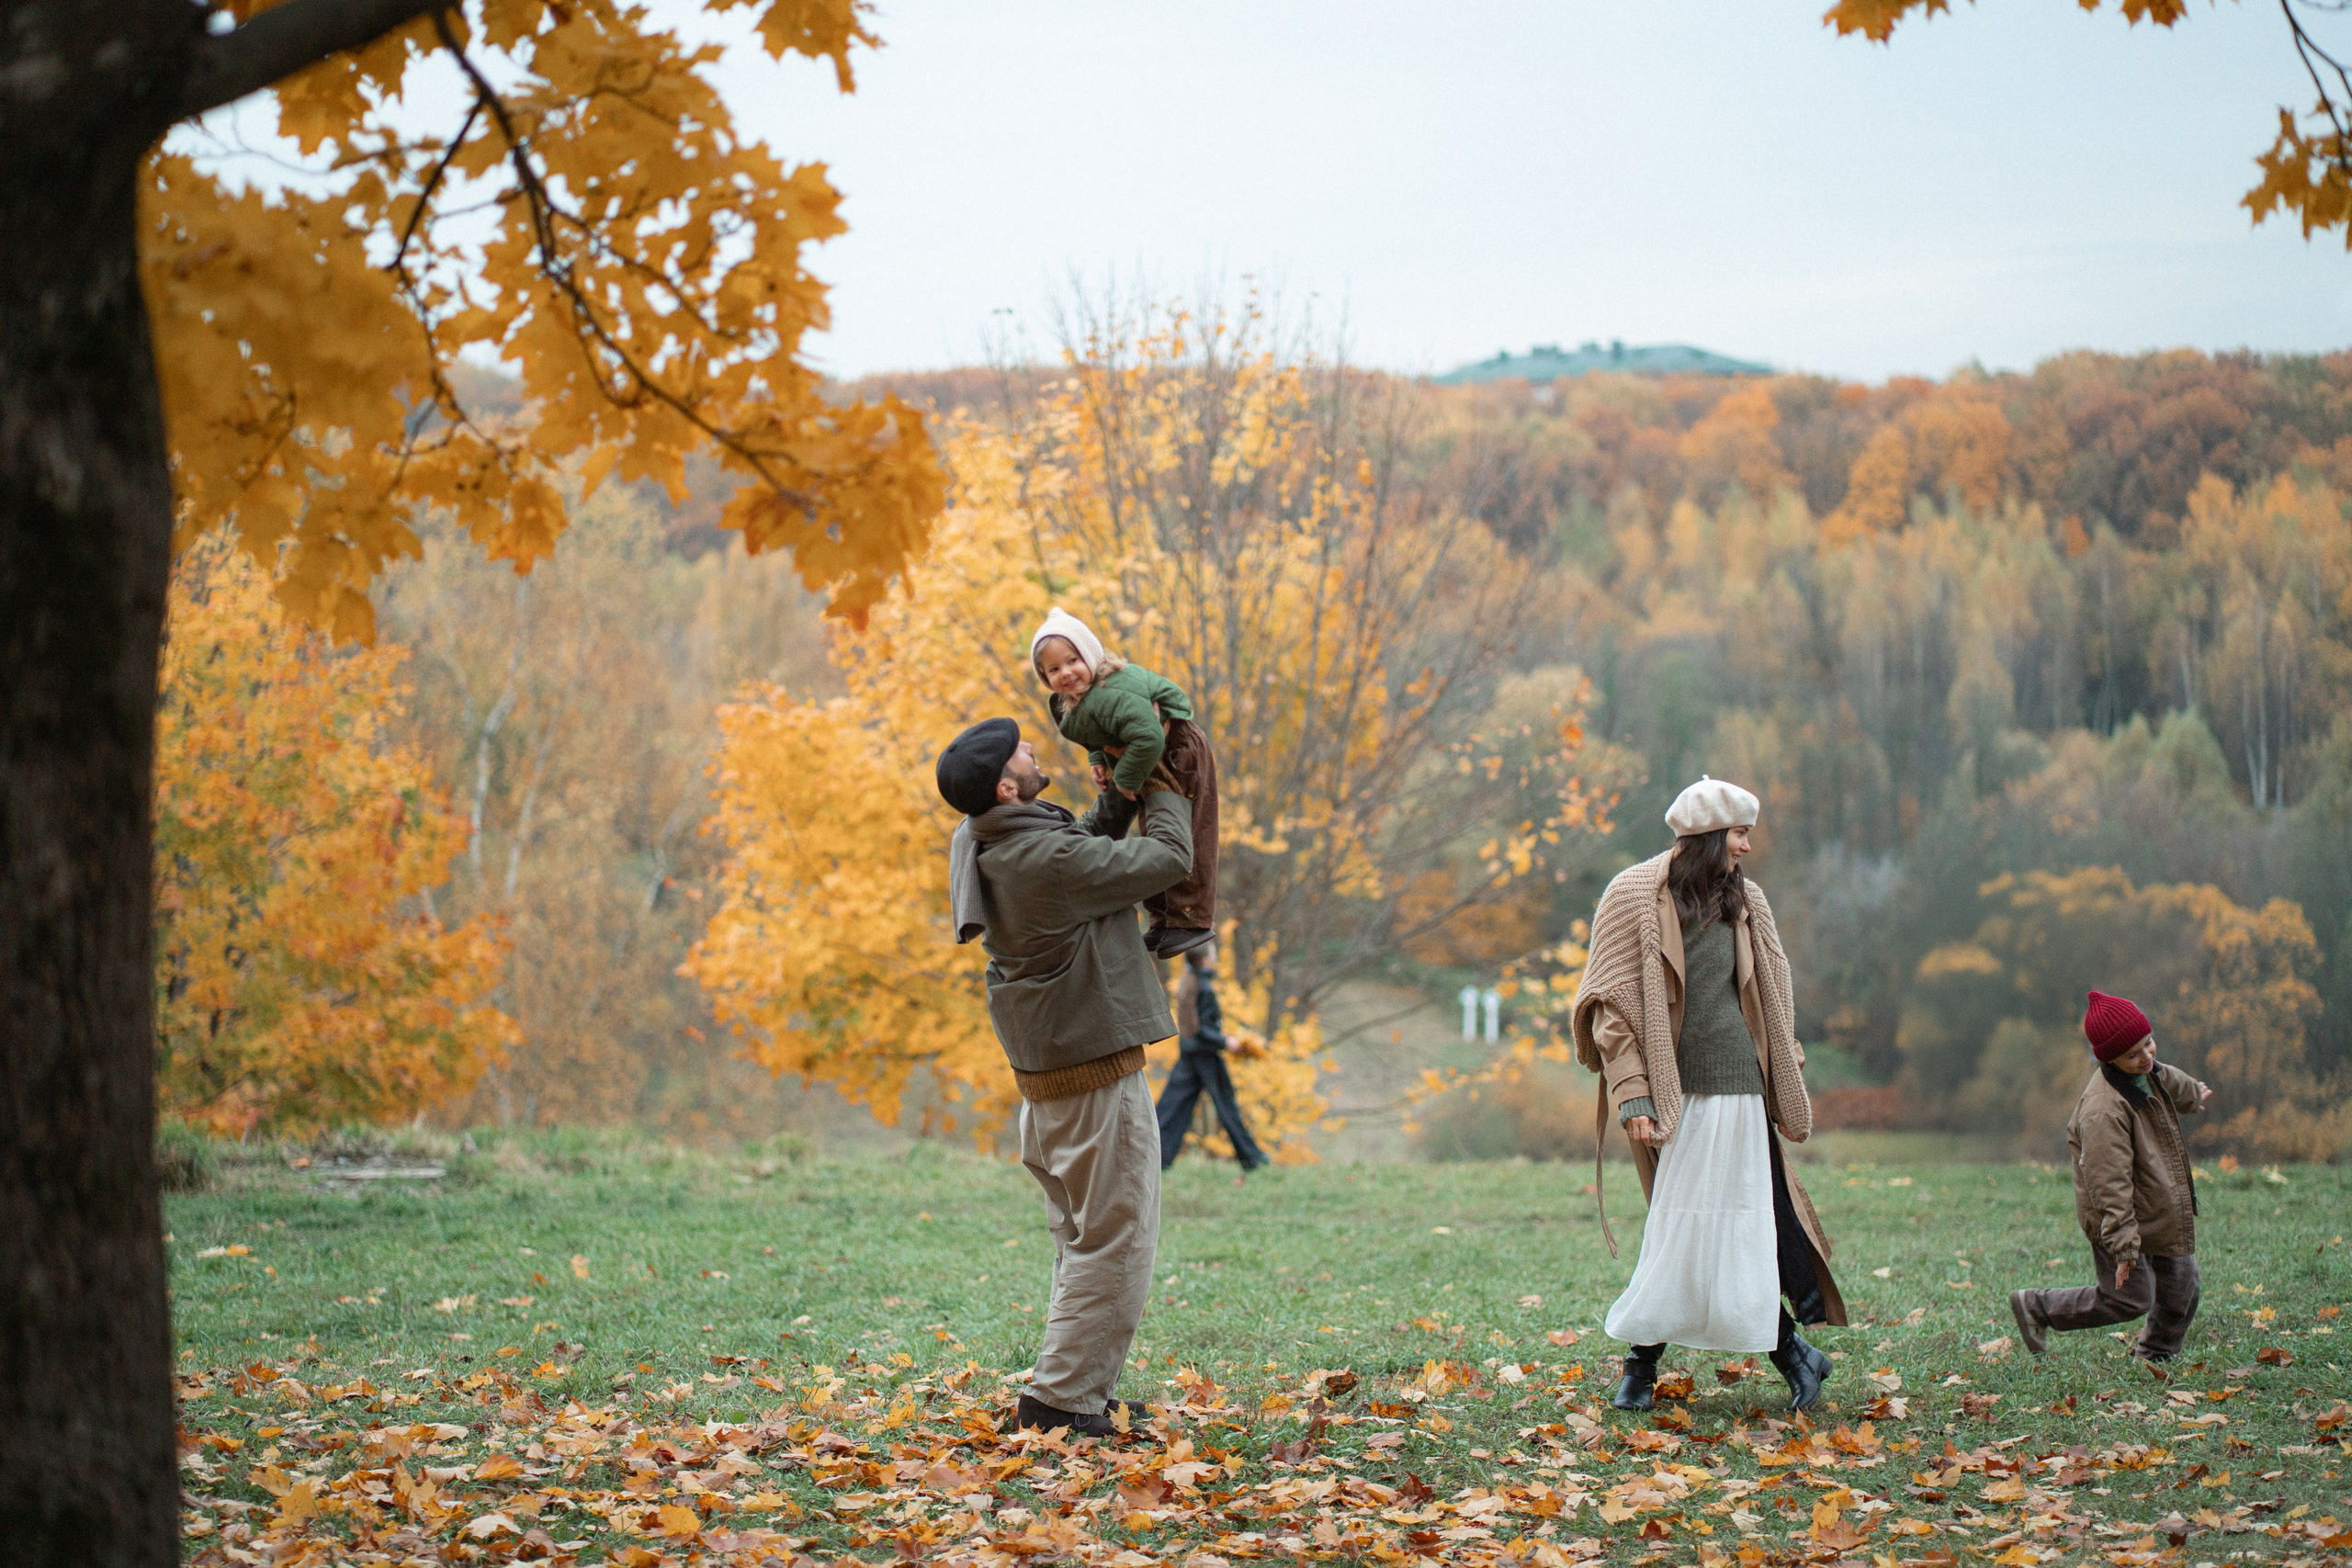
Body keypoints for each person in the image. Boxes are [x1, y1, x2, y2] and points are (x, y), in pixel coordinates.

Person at [937, 716, 1192, 1437]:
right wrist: (1165, 785)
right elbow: (1168, 857)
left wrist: (1116, 800)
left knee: (1085, 1239)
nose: (1033, 747)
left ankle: (1076, 1391)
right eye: (1021, 750)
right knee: (1117, 1238)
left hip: (1051, 1082)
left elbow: (1077, 849)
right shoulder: (1041, 860)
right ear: (1008, 786)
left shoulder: (985, 838)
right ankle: (1059, 1403)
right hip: (1091, 1080)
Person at [1569, 776, 1845, 1413]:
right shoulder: (1633, 895)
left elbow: (1776, 1004)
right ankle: (1775, 1354)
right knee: (1679, 1229)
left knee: (1740, 1233)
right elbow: (1609, 1011)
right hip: (1673, 1099)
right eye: (1739, 833)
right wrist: (1634, 1096)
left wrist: (1787, 1073)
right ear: (1708, 836)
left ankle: (1656, 1367)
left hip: (1741, 1096)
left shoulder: (1749, 902)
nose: (1747, 846)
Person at [2010, 990, 2211, 1362]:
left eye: (2149, 1043)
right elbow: (2108, 1184)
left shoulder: (2146, 1071)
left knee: (2183, 1287)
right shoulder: (2103, 1111)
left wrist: (2194, 1094)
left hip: (2156, 1206)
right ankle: (2038, 1307)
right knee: (2127, 1298)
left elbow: (2170, 1080)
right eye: (2133, 1054)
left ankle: (2154, 1356)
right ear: (2109, 1059)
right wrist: (2123, 1247)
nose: (2147, 1056)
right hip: (2117, 1218)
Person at [1029, 607, 1218, 958]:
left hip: (1174, 747)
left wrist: (1126, 778)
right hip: (1139, 750)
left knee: (1184, 832)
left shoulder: (1110, 691)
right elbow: (1097, 731)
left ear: (1090, 656)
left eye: (1072, 661)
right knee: (1150, 832)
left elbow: (1148, 735)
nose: (1066, 673)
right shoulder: (1074, 701)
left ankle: (1190, 921)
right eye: (1054, 669)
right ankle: (1163, 920)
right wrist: (1099, 759)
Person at [1155, 942, 1268, 1172]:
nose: (1216, 957)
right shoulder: (1204, 986)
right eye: (1214, 953)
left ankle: (1158, 1159)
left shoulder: (1188, 981)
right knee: (1226, 1104)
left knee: (1172, 1106)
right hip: (1205, 1056)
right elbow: (1201, 1028)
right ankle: (1252, 1158)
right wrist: (1226, 1041)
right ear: (1206, 960)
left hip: (1189, 1052)